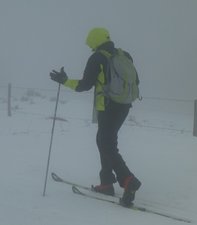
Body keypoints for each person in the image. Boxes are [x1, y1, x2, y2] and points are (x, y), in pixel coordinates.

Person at [49, 27, 141, 207]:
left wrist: (64, 80)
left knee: (106, 143)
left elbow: (84, 85)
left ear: (94, 41)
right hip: (124, 106)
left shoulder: (97, 57)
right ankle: (106, 182)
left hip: (108, 107)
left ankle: (128, 180)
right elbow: (135, 81)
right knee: (104, 140)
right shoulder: (125, 55)